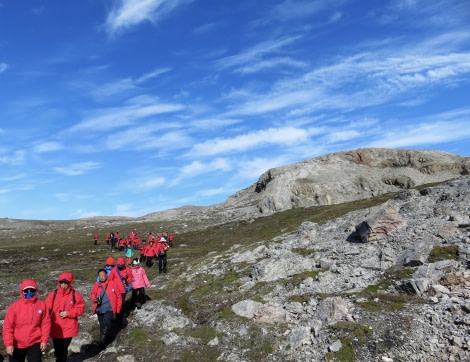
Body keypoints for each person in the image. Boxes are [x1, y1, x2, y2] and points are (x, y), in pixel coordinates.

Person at [3, 279, 51, 362]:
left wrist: (44, 340)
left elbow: (45, 323)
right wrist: (8, 344)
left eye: (32, 290)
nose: (29, 292)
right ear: (22, 291)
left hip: (35, 342)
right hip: (17, 344)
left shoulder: (41, 305)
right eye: (26, 290)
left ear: (35, 291)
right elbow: (8, 327)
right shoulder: (14, 307)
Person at [45, 272, 85, 362]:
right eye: (61, 282)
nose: (63, 285)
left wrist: (69, 313)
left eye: (65, 283)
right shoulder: (53, 294)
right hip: (55, 327)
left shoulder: (75, 294)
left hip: (69, 328)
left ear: (70, 283)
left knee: (63, 350)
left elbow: (81, 308)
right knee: (57, 349)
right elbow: (46, 309)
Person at [90, 269, 122, 347]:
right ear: (98, 276)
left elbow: (118, 296)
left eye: (104, 275)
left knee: (105, 323)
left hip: (109, 308)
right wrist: (94, 299)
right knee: (102, 324)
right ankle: (106, 337)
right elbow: (92, 294)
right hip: (99, 309)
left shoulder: (112, 284)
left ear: (106, 275)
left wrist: (118, 309)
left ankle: (102, 342)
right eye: (100, 275)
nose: (102, 277)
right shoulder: (96, 285)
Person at [113, 257, 132, 327]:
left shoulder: (127, 269)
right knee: (115, 302)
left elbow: (130, 277)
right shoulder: (114, 270)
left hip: (123, 290)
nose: (120, 267)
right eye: (119, 266)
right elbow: (110, 279)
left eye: (121, 266)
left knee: (122, 303)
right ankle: (116, 315)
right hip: (115, 290)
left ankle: (122, 317)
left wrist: (127, 280)